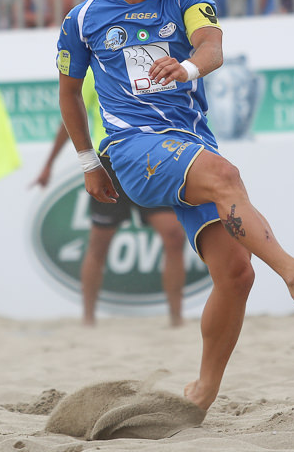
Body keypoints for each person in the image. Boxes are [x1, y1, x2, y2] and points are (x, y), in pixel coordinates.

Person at [56, 0, 294, 413]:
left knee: (236, 275)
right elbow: (67, 95)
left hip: (189, 142)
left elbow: (211, 47)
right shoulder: (83, 19)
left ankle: (202, 393)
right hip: (130, 146)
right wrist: (87, 163)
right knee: (223, 174)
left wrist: (189, 66)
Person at [34, 71, 188, 327]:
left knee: (174, 235)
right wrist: (49, 164)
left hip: (149, 157)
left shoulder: (144, 60)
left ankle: (176, 319)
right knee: (99, 243)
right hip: (110, 161)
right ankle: (88, 319)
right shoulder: (94, 72)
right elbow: (71, 115)